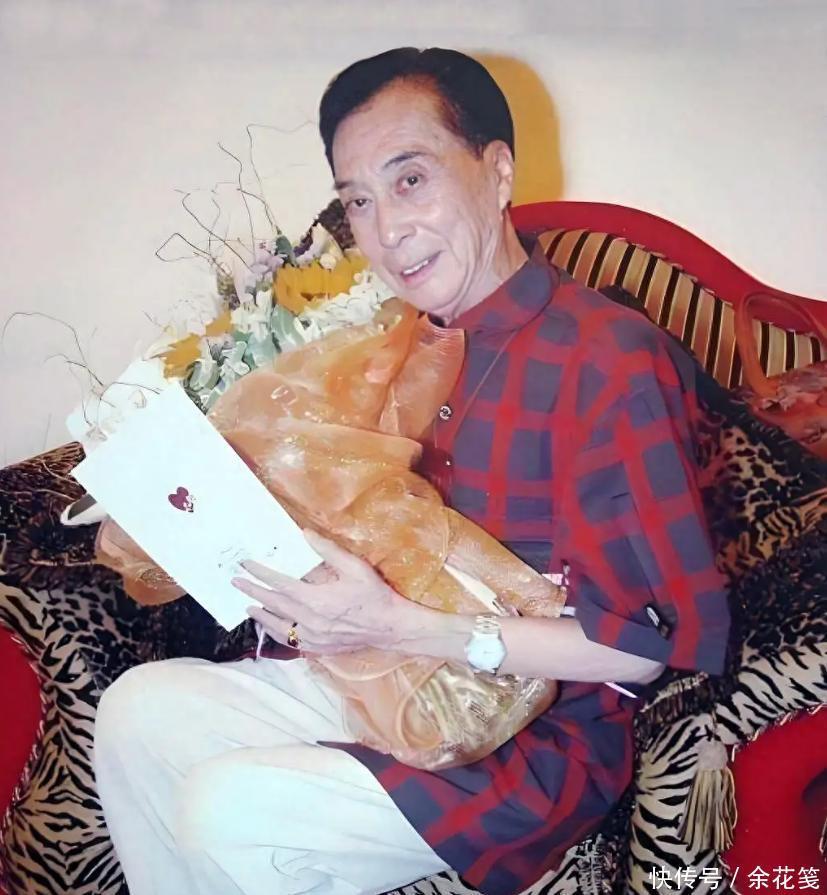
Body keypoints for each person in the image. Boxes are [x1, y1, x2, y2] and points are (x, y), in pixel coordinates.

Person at [94, 48, 731, 895]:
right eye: (358, 200)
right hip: (387, 683)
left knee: (226, 807)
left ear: (496, 172)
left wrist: (399, 625)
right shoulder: (388, 345)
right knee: (136, 712)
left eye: (410, 180)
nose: (386, 230)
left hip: (533, 733)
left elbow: (638, 651)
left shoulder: (608, 359)